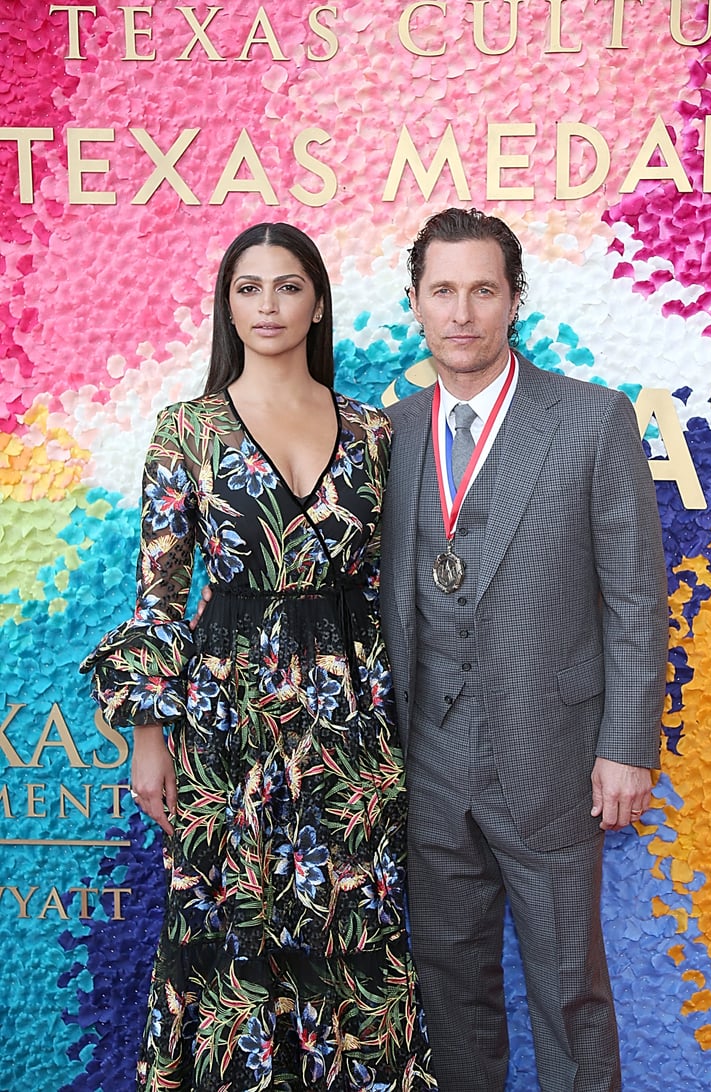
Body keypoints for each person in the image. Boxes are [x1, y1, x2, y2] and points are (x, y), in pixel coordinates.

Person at [80, 223, 436, 1091]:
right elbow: (159, 595)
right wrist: (148, 739)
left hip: (348, 719)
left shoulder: (372, 431)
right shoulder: (186, 430)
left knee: (353, 918)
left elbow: (400, 586)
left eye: (287, 286)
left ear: (317, 302)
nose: (268, 306)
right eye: (249, 288)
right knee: (225, 922)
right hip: (222, 717)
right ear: (226, 305)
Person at [378, 207, 668, 1092]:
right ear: (417, 307)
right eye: (442, 292)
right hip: (426, 762)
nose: (461, 312)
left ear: (513, 304)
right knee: (450, 990)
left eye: (482, 290)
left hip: (553, 759)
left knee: (570, 993)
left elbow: (634, 595)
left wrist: (627, 744)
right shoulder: (385, 434)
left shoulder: (591, 419)